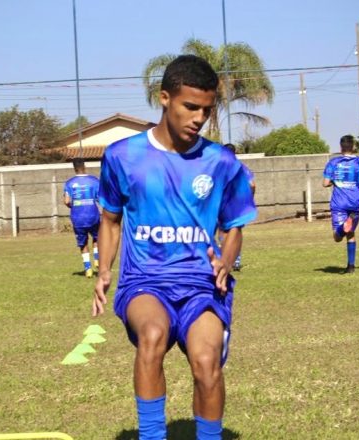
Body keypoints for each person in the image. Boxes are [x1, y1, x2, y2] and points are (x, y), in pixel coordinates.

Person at [92, 55, 257, 440]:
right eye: (190, 107)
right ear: (165, 98)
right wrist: (103, 271)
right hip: (144, 281)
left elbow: (234, 226)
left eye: (206, 110)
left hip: (202, 284)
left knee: (206, 362)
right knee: (152, 335)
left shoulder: (221, 161)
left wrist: (227, 261)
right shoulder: (122, 156)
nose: (199, 118)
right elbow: (110, 219)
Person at [322, 134, 359, 274]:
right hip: (355, 202)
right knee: (351, 233)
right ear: (353, 147)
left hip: (339, 203)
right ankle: (351, 267)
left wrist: (334, 181)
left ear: (341, 147)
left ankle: (342, 227)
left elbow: (325, 183)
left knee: (337, 237)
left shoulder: (333, 162)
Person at [63, 158, 100, 278]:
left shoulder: (69, 183)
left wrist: (74, 204)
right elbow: (100, 198)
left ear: (74, 168)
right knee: (97, 238)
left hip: (77, 216)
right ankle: (97, 260)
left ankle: (88, 269)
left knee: (83, 243)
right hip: (93, 214)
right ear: (85, 166)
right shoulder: (94, 181)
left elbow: (67, 201)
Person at [222, 143, 256, 271]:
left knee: (221, 232)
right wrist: (249, 199)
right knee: (235, 231)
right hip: (237, 204)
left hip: (222, 202)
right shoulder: (241, 166)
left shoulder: (218, 165)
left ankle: (224, 260)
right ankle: (235, 261)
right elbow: (252, 185)